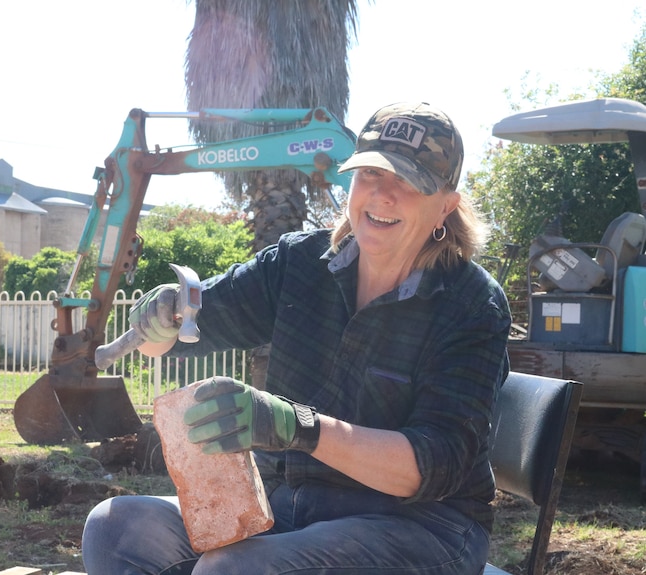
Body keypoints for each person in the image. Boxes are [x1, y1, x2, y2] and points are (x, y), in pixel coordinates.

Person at [82, 101, 511, 575]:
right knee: (116, 527)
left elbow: (434, 466)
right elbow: (189, 331)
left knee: (233, 571)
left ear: (445, 206)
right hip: (289, 505)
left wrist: (293, 424)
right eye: (371, 174)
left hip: (421, 527)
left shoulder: (471, 304)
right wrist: (161, 319)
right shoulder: (299, 263)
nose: (383, 195)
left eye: (408, 183)